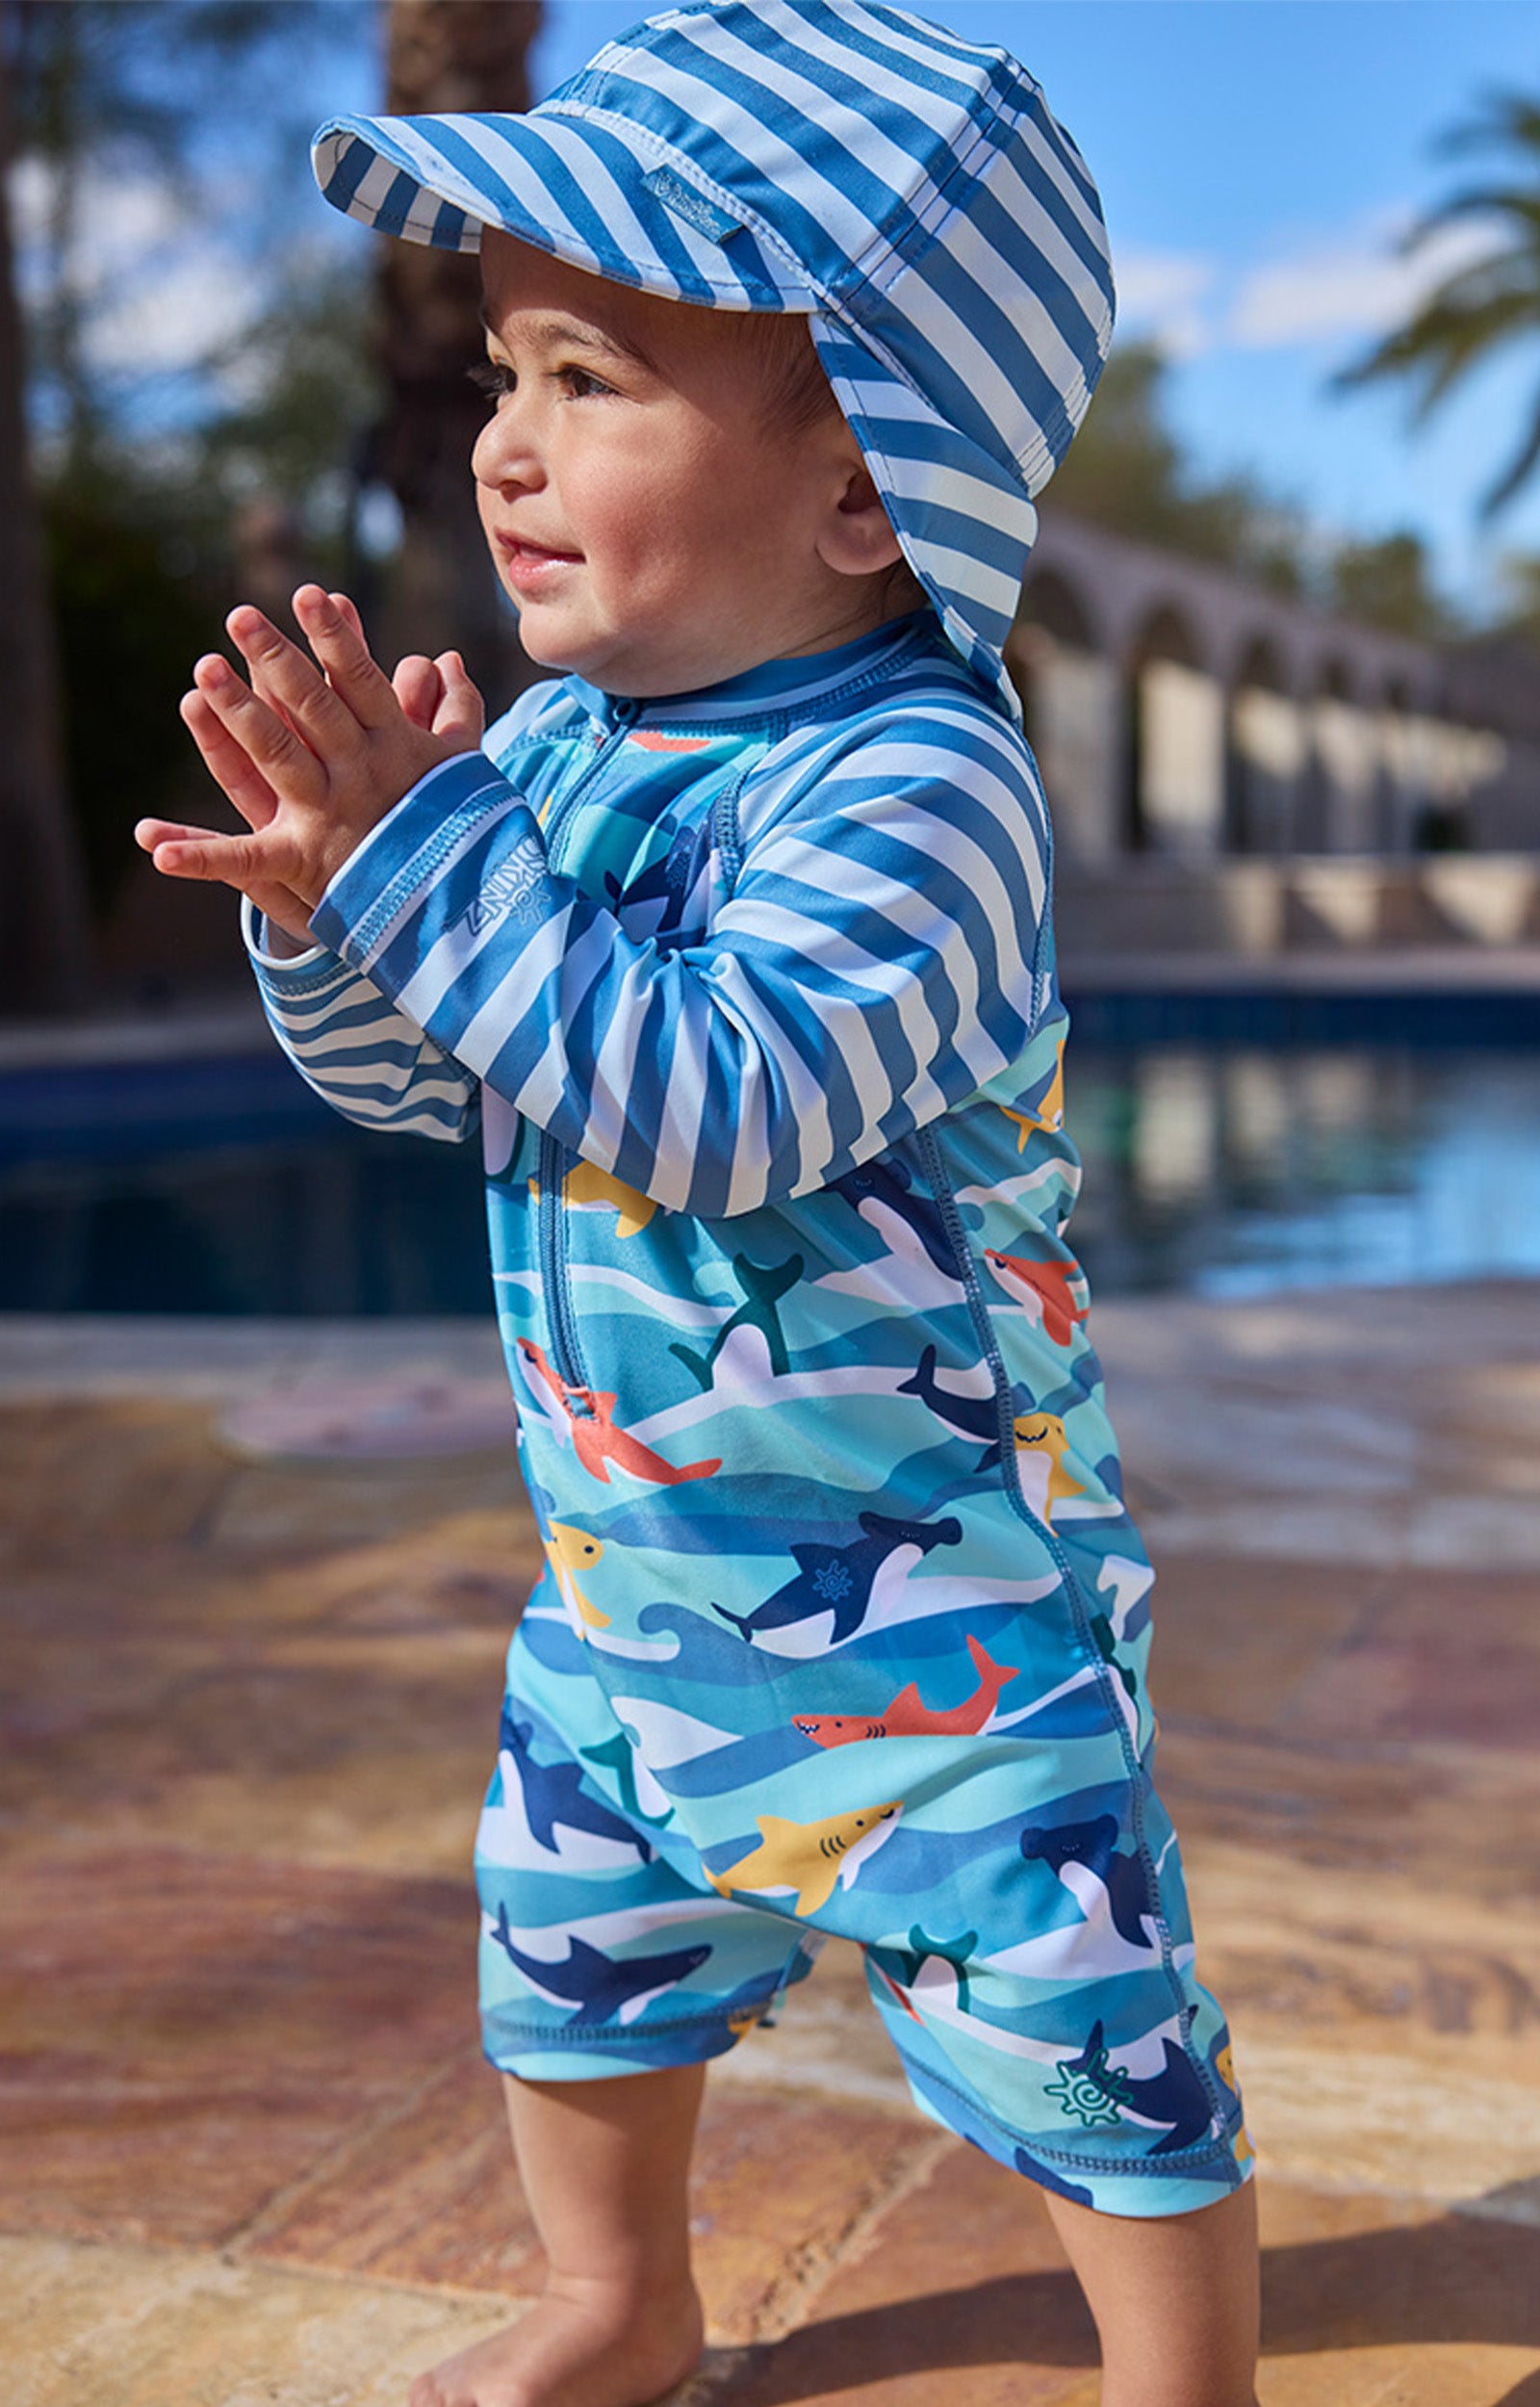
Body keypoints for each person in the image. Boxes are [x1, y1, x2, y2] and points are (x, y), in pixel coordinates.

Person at [138, 6, 1261, 2402]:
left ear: (865, 480)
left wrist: (432, 868)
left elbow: (716, 1101)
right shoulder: (551, 750)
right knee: (566, 1954)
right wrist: (332, 906)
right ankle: (617, 2292)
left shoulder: (919, 784)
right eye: (503, 374)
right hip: (635, 1586)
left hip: (945, 1616)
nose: (506, 438)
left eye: (592, 377)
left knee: (1087, 2026)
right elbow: (443, 1083)